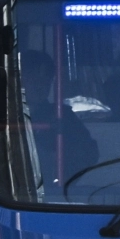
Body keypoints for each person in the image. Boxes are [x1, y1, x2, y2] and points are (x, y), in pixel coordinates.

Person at [18, 50, 98, 188]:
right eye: (34, 78)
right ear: (20, 79)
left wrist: (61, 178)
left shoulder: (63, 116)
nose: (41, 85)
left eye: (47, 79)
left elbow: (89, 153)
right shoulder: (3, 116)